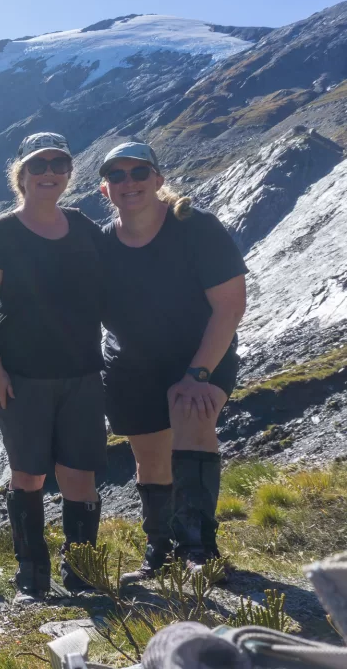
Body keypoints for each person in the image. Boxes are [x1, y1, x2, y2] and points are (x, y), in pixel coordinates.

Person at [96, 142, 247, 581]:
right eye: (118, 176)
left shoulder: (196, 228)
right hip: (131, 364)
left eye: (139, 172)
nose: (130, 182)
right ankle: (159, 549)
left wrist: (198, 374)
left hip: (201, 354)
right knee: (151, 458)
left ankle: (200, 548)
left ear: (158, 180)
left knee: (193, 419)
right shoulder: (103, 244)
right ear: (106, 189)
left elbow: (230, 307)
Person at [0, 132, 107, 601]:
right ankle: (33, 572)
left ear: (69, 173)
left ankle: (82, 570)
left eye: (58, 164)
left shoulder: (84, 226)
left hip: (84, 371)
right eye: (39, 165)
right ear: (21, 175)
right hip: (22, 374)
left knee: (79, 474)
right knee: (27, 474)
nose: (49, 172)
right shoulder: (1, 234)